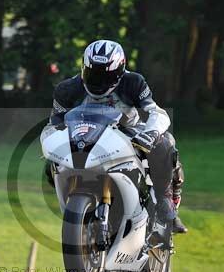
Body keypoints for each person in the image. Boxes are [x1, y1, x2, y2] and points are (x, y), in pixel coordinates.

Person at [48, 39, 187, 234]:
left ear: (120, 72)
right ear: (83, 68)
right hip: (84, 136)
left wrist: (151, 133)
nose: (98, 81)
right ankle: (76, 210)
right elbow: (54, 125)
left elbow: (157, 113)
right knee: (50, 166)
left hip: (126, 133)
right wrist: (52, 146)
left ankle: (165, 202)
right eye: (93, 74)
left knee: (165, 143)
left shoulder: (134, 82)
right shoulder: (67, 89)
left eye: (106, 76)